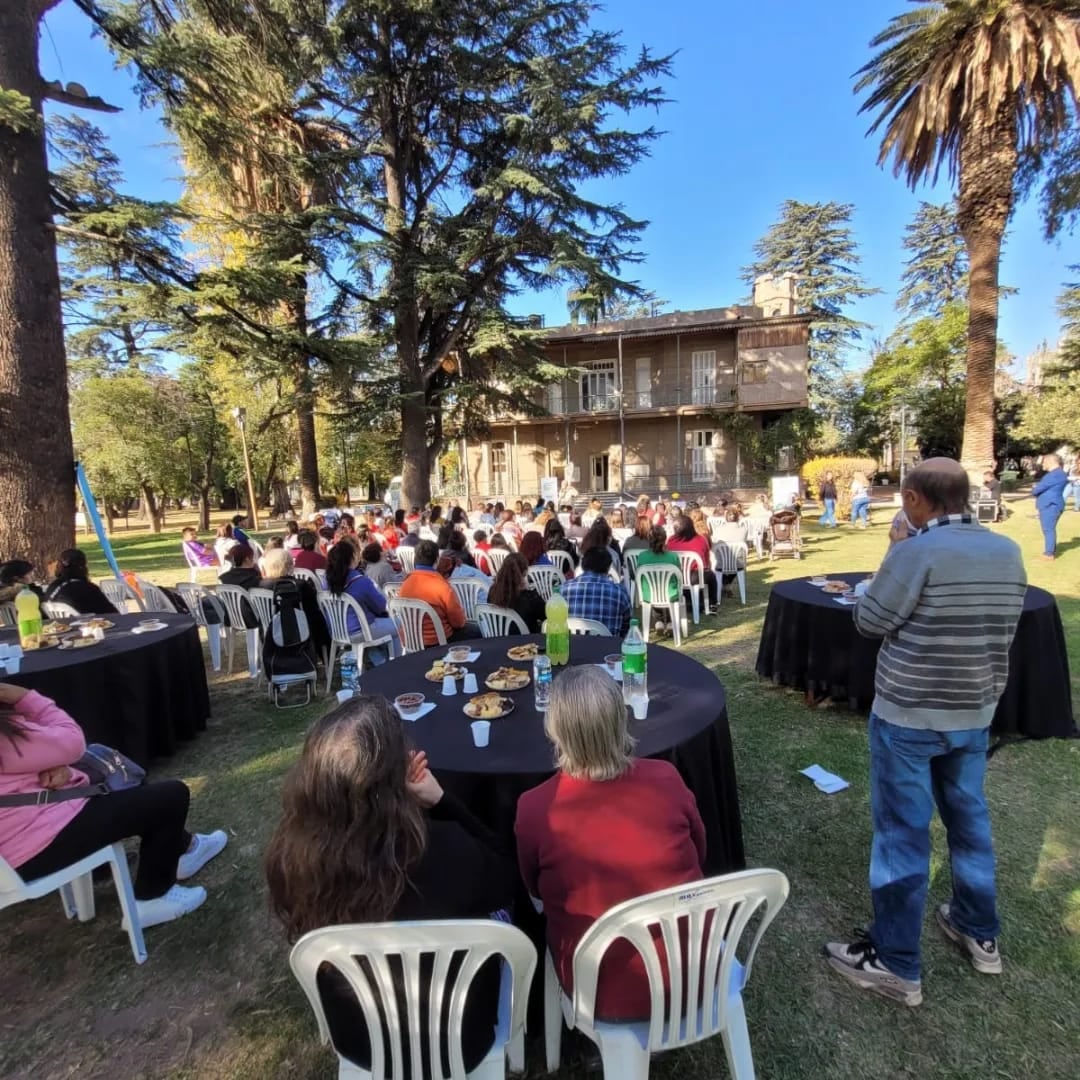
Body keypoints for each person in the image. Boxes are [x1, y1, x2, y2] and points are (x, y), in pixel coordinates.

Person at [825, 459, 1027, 1007]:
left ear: (914, 500)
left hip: (910, 715)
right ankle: (977, 927)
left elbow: (870, 621)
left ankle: (895, 961)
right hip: (974, 712)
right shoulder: (1007, 551)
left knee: (902, 834)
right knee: (968, 820)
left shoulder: (915, 551)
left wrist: (893, 550)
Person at [265, 697, 516, 1074]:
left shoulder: (291, 860)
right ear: (395, 777)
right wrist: (443, 802)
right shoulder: (444, 850)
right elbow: (508, 877)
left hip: (358, 1042)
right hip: (462, 1040)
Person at [515, 667, 704, 1020]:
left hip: (601, 990)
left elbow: (534, 891)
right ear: (622, 720)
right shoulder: (668, 777)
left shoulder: (535, 808)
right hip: (694, 970)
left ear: (555, 730)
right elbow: (699, 850)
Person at [0, 683, 226, 928]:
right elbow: (72, 742)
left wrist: (62, 770)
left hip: (16, 847)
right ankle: (151, 898)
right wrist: (26, 697)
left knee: (117, 773)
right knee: (170, 796)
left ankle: (184, 849)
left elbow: (20, 772)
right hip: (35, 842)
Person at [325, 539, 399, 660]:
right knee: (400, 624)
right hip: (360, 631)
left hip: (337, 631)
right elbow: (381, 607)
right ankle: (396, 664)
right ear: (351, 558)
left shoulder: (327, 582)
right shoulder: (360, 581)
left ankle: (380, 663)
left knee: (374, 628)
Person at [259, 548, 331, 658]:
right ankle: (326, 656)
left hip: (270, 631)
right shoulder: (300, 585)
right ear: (290, 565)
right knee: (319, 620)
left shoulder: (261, 587)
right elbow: (313, 611)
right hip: (301, 631)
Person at [398, 540, 474, 644]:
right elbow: (458, 623)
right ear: (437, 560)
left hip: (412, 640)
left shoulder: (405, 584)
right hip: (440, 640)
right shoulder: (442, 586)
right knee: (477, 631)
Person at [560, 547, 631, 637]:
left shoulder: (563, 590)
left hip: (571, 647)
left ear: (583, 564)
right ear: (608, 567)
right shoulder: (620, 593)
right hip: (609, 648)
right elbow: (627, 627)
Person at [633, 526, 682, 636]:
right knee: (669, 592)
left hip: (648, 594)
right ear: (665, 539)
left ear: (649, 539)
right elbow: (679, 576)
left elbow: (638, 576)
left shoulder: (642, 556)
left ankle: (658, 621)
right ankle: (669, 622)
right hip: (670, 593)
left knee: (653, 591)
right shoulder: (673, 556)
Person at [666, 516, 718, 610]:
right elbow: (706, 562)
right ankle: (712, 603)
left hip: (675, 576)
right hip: (695, 577)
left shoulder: (671, 540)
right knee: (711, 575)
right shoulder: (701, 540)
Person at [43, 550, 118, 616]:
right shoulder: (88, 589)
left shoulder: (53, 587)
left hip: (61, 627)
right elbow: (113, 613)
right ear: (84, 567)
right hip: (85, 628)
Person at [486, 552, 546, 633]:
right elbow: (547, 616)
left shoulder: (493, 591)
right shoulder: (530, 597)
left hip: (499, 638)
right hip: (526, 641)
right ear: (525, 572)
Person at [1032, 453, 1069, 560]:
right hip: (1052, 503)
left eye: (1044, 462)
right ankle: (1049, 551)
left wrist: (1034, 488)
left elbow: (1037, 490)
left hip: (1050, 504)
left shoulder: (1054, 475)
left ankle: (1049, 554)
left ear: (1050, 462)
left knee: (1048, 529)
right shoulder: (1060, 473)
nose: (1042, 464)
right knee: (1048, 529)